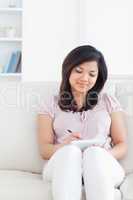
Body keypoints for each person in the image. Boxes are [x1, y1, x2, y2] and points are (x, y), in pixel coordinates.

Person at [37, 45, 127, 200]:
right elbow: (45, 150)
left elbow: (122, 144)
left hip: (103, 164)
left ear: (98, 77)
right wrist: (65, 146)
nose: (85, 79)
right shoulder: (50, 103)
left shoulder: (108, 101)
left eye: (92, 74)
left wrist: (103, 154)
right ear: (68, 70)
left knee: (94, 153)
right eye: (79, 71)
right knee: (70, 152)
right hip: (63, 165)